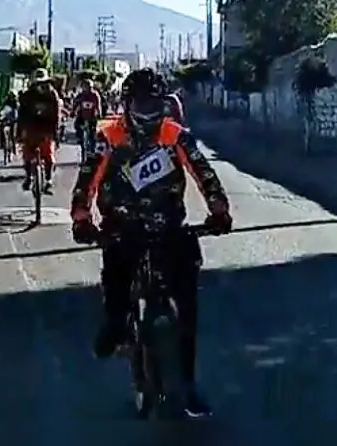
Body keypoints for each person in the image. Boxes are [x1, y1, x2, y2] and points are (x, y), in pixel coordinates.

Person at [69, 67, 233, 418]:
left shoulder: (174, 135)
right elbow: (88, 177)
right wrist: (81, 218)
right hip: (122, 226)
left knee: (187, 304)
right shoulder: (109, 135)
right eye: (141, 103)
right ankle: (115, 324)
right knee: (115, 274)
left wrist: (219, 210)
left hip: (169, 226)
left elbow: (204, 172)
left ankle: (187, 384)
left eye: (154, 103)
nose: (148, 110)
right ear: (127, 104)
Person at [16, 68, 61, 193]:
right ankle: (32, 177)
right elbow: (21, 115)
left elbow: (57, 115)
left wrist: (55, 133)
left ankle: (47, 180)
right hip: (34, 129)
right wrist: (20, 133)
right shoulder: (28, 95)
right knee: (28, 154)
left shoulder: (51, 95)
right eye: (38, 83)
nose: (40, 85)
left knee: (47, 155)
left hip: (44, 129)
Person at [71, 79, 103, 155]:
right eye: (85, 87)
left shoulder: (95, 95)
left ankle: (92, 148)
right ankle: (79, 137)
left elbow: (98, 105)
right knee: (77, 125)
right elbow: (76, 104)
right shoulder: (81, 95)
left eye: (88, 87)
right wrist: (73, 111)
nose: (86, 89)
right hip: (82, 116)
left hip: (92, 117)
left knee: (92, 133)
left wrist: (99, 113)